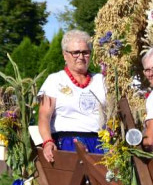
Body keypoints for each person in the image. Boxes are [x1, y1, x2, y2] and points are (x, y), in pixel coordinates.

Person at [37, 30, 107, 162]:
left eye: (85, 52)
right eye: (75, 52)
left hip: (100, 145)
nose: (80, 57)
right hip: (67, 145)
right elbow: (44, 116)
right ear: (65, 55)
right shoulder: (55, 80)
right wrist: (47, 142)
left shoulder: (101, 80)